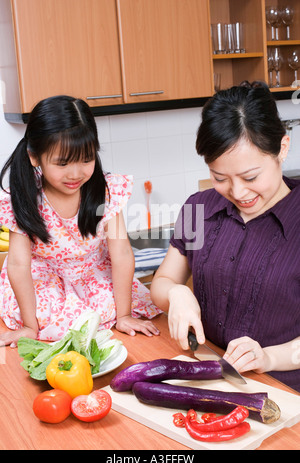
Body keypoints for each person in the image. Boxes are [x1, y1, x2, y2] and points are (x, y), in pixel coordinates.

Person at [150, 81, 300, 392]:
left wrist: (269, 357)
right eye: (220, 178)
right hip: (207, 375)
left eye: (251, 177)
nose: (238, 192)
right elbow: (162, 281)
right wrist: (177, 294)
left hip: (281, 389)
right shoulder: (199, 208)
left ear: (282, 148)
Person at [0, 95, 161, 346]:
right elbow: (19, 265)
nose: (76, 174)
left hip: (91, 274)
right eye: (62, 163)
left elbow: (121, 254)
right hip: (44, 281)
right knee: (48, 321)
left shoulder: (105, 191)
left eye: (86, 159)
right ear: (34, 157)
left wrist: (125, 315)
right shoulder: (25, 197)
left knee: (106, 312)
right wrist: (30, 327)